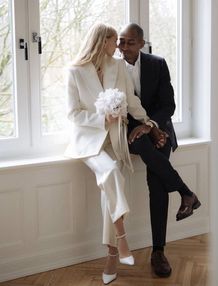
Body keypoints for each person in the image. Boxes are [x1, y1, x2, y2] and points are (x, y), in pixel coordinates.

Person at [65, 23, 154, 284]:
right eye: (114, 41)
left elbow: (130, 99)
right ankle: (122, 238)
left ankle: (112, 255)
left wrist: (149, 122)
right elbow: (73, 113)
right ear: (101, 41)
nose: (117, 47)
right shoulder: (75, 71)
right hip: (88, 140)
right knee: (111, 173)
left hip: (114, 140)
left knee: (109, 190)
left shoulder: (117, 67)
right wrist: (102, 118)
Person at [118, 23, 201, 278]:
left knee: (157, 181)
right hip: (131, 132)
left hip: (160, 130)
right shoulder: (112, 67)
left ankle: (158, 252)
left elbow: (169, 105)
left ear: (142, 43)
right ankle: (187, 193)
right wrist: (144, 129)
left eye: (130, 42)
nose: (123, 47)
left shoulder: (158, 63)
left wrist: (152, 126)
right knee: (142, 141)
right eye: (121, 41)